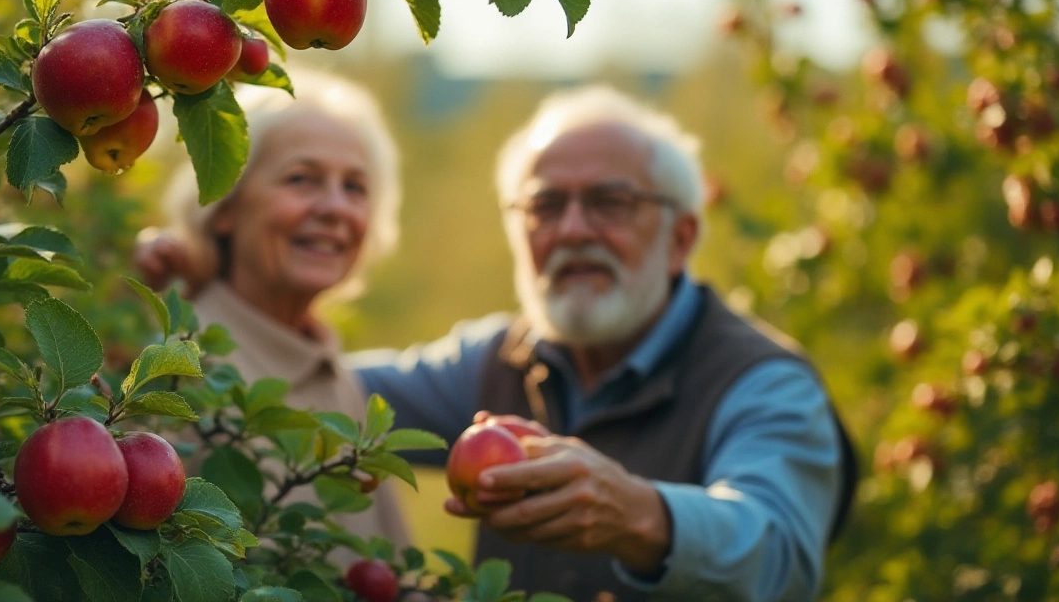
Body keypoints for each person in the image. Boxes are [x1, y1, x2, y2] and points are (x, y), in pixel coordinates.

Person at [349, 86, 857, 601]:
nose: (572, 230)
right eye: (545, 206)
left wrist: (641, 517)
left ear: (680, 239)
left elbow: (780, 557)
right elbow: (332, 390)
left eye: (610, 203)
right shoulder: (502, 360)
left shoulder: (762, 381)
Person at [133, 70, 411, 553]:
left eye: (356, 187)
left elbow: (395, 575)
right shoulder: (178, 367)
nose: (335, 208)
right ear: (224, 204)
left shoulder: (340, 377)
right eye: (301, 178)